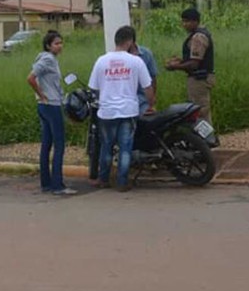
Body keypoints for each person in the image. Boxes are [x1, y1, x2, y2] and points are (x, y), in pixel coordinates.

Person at [88, 26, 155, 192]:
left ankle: (103, 179)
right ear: (131, 41)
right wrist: (151, 104)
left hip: (107, 112)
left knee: (107, 146)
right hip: (128, 111)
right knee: (125, 148)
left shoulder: (101, 61)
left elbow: (93, 88)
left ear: (115, 40)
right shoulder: (136, 61)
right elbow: (148, 87)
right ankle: (122, 182)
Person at [27, 30, 77, 195]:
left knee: (47, 144)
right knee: (59, 144)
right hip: (51, 105)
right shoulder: (47, 59)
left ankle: (46, 183)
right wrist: (42, 94)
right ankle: (58, 184)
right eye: (56, 43)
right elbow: (31, 78)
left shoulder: (49, 59)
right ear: (48, 45)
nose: (60, 46)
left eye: (61, 43)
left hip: (44, 105)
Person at [165, 8, 218, 145]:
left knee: (199, 113)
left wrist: (175, 66)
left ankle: (207, 141)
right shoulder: (199, 34)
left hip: (199, 79)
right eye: (183, 21)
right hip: (201, 78)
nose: (184, 25)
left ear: (195, 21)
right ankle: (208, 140)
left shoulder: (198, 37)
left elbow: (194, 64)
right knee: (202, 112)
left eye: (186, 21)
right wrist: (181, 61)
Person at [128, 36, 158, 115]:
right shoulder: (119, 57)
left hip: (142, 100)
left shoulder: (146, 54)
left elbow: (153, 77)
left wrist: (152, 101)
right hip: (126, 101)